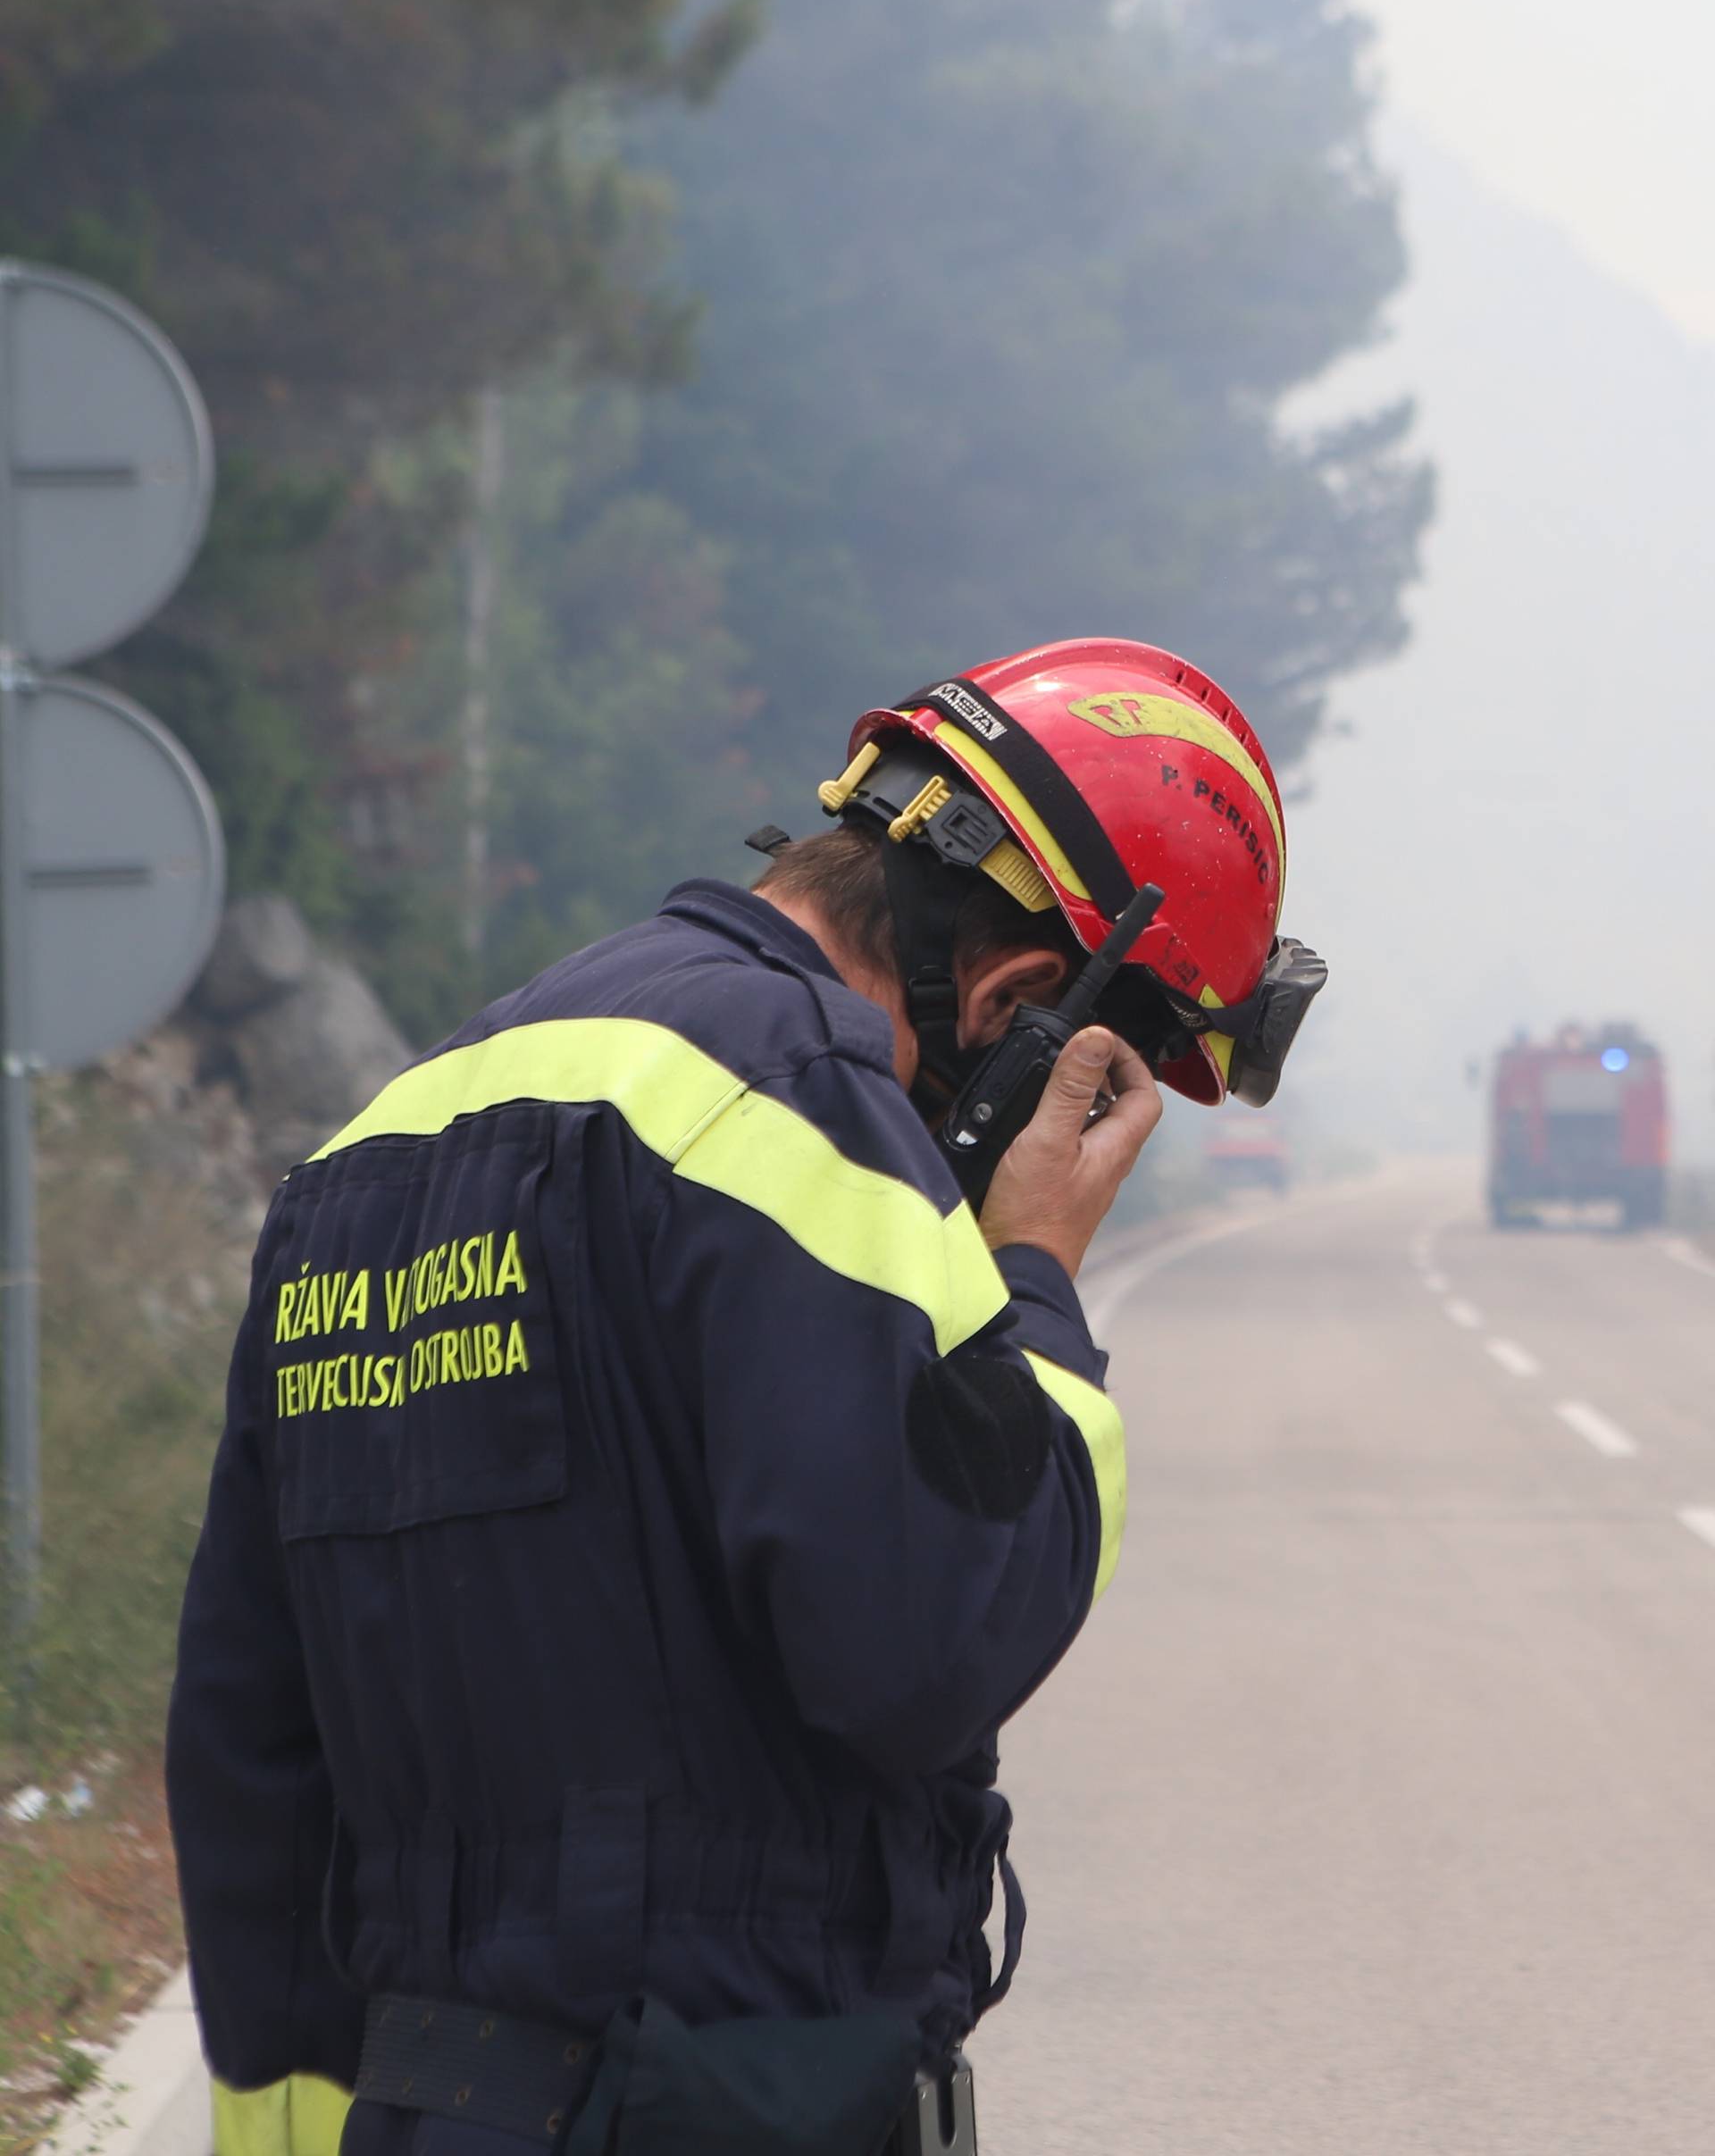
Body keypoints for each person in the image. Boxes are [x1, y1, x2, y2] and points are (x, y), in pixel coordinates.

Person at [166, 638, 1321, 2156]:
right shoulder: (804, 1105)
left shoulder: (380, 1148)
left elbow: (250, 1748)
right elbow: (932, 1641)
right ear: (1020, 1004)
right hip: (727, 2103)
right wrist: (1032, 1280)